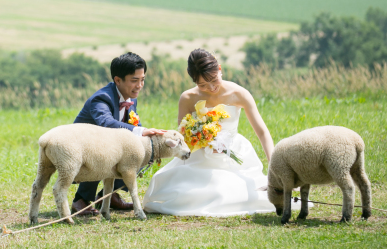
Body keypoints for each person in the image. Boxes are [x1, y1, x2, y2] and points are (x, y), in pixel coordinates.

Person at [142, 48, 277, 216]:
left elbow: (262, 132)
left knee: (239, 189)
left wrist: (274, 166)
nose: (211, 87)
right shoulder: (188, 98)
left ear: (220, 69)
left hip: (232, 153)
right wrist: (199, 139)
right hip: (200, 154)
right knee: (188, 192)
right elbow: (182, 137)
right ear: (194, 82)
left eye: (214, 80)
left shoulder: (239, 93)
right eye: (202, 85)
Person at [71, 52, 166, 216]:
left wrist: (149, 140)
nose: (140, 85)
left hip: (109, 144)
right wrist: (141, 131)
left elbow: (134, 125)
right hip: (83, 148)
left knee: (140, 153)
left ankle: (107, 196)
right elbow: (106, 123)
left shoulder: (131, 98)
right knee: (101, 153)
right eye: (134, 80)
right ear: (117, 80)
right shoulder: (101, 98)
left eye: (142, 79)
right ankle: (81, 200)